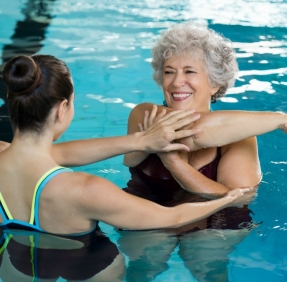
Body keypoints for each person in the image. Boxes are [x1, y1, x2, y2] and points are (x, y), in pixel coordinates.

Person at [0, 54, 251, 238]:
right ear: (62, 109)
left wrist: (140, 141)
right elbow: (171, 218)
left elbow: (53, 154)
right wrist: (229, 198)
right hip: (85, 269)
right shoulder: (86, 190)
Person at [117, 21, 287, 281]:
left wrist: (174, 162)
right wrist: (278, 119)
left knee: (206, 262)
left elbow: (238, 198)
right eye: (169, 72)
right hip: (150, 209)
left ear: (215, 84)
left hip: (215, 220)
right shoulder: (145, 114)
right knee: (145, 263)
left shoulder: (241, 137)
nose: (176, 82)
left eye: (189, 72)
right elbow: (195, 131)